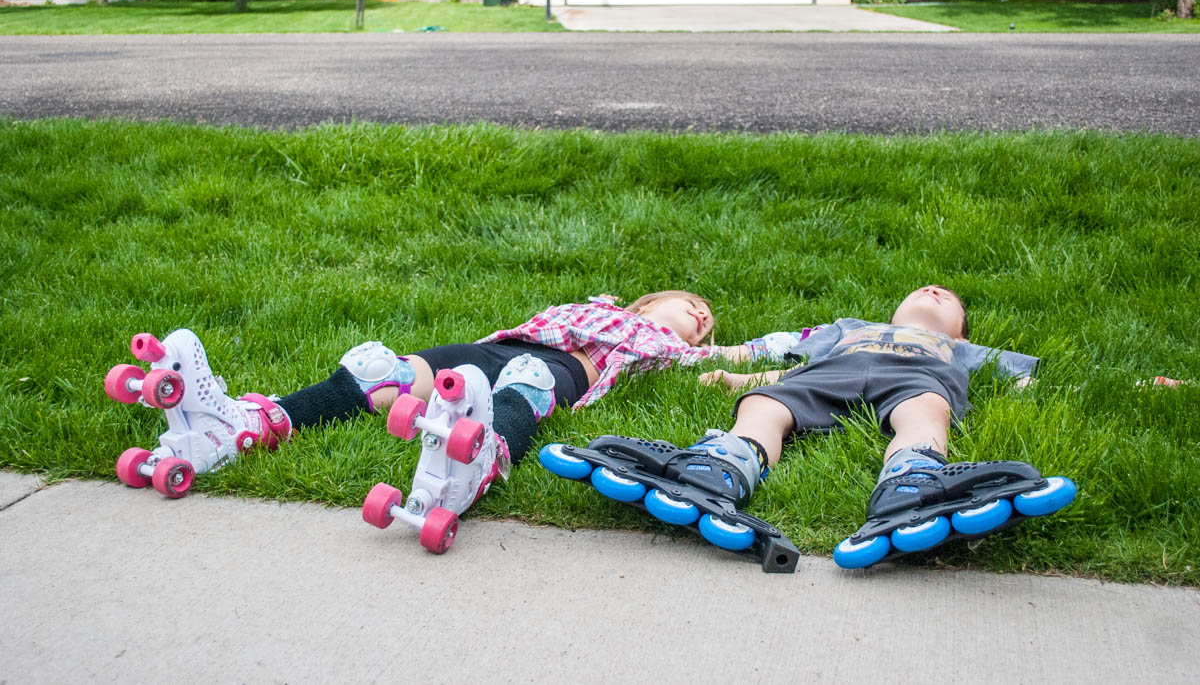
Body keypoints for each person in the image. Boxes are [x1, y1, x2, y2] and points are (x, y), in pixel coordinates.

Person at [540, 285, 1077, 570]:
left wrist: (1032, 388)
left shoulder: (959, 349)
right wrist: (733, 375)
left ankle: (912, 478)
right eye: (925, 289)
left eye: (948, 298)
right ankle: (723, 465)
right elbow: (786, 359)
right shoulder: (848, 328)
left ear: (959, 330)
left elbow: (1024, 376)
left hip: (918, 376)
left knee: (926, 411)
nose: (934, 291)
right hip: (827, 373)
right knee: (766, 403)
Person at [106, 290, 767, 502]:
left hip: (566, 369)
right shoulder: (602, 303)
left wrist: (798, 349)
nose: (701, 317)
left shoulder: (671, 348)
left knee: (530, 384)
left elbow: (747, 354)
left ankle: (482, 457)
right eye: (694, 304)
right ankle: (248, 423)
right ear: (651, 300)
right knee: (376, 369)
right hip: (494, 348)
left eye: (705, 321)